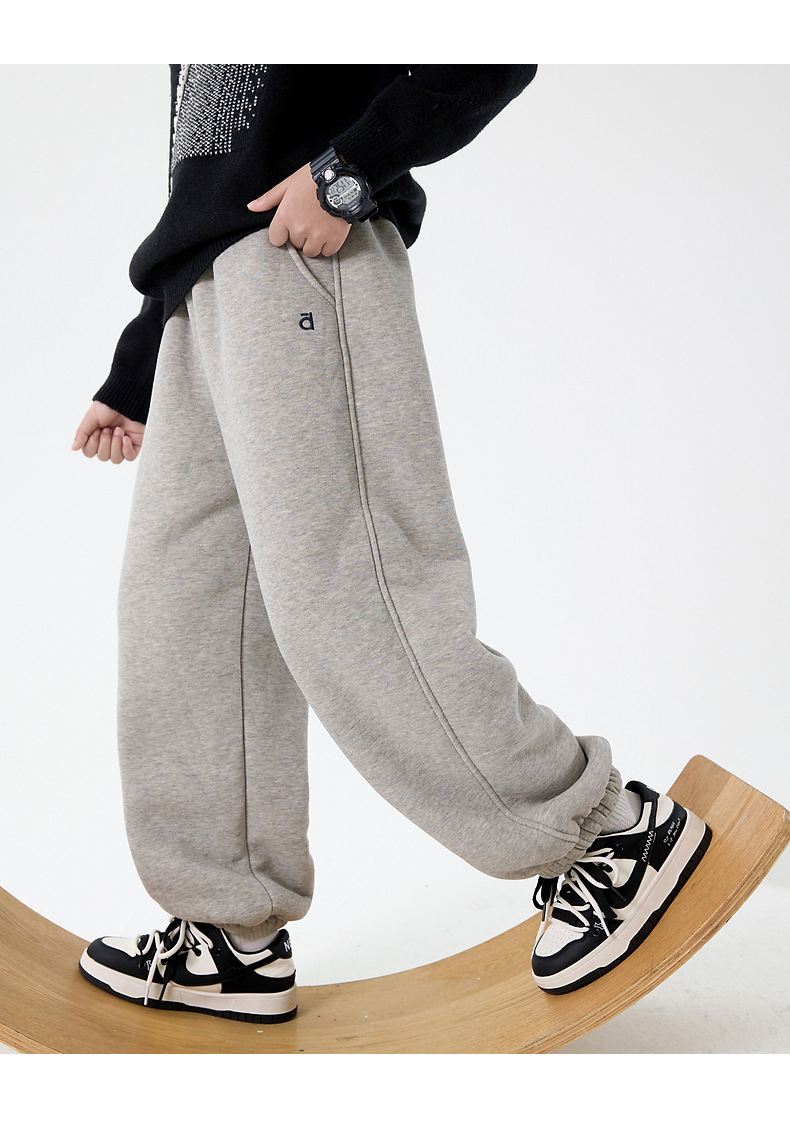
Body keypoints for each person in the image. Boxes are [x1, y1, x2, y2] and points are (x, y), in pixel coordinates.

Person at [72, 64, 711, 1024]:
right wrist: (141, 355)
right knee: (183, 614)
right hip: (204, 299)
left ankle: (607, 833)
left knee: (352, 604)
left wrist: (347, 171)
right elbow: (206, 180)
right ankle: (229, 932)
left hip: (298, 258)